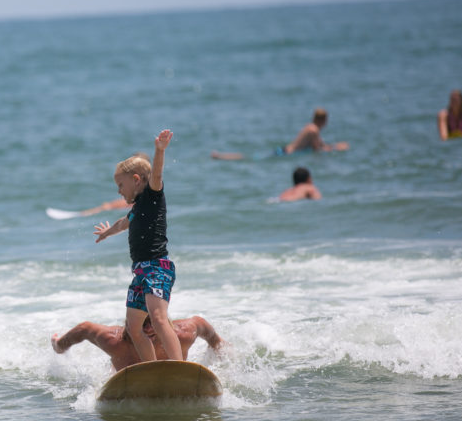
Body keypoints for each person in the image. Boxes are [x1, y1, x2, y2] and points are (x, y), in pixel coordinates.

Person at [94, 129, 182, 363]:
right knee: (133, 328)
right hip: (140, 272)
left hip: (157, 268)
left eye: (120, 185)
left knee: (159, 319)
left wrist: (159, 150)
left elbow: (157, 174)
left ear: (136, 180)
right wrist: (107, 233)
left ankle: (179, 366)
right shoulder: (135, 210)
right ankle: (151, 368)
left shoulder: (152, 197)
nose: (118, 191)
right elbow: (123, 223)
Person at [52, 315, 224, 372]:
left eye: (152, 323)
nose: (148, 329)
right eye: (142, 324)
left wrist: (217, 344)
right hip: (126, 377)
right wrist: (60, 345)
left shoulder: (182, 335)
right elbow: (84, 328)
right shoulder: (114, 341)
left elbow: (200, 323)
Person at [211, 107, 349, 160]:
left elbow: (320, 145)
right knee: (248, 158)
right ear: (323, 120)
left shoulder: (310, 127)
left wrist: (334, 146)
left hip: (283, 150)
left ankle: (220, 155)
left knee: (250, 157)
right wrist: (336, 148)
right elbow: (317, 148)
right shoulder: (314, 130)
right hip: (285, 154)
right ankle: (221, 156)